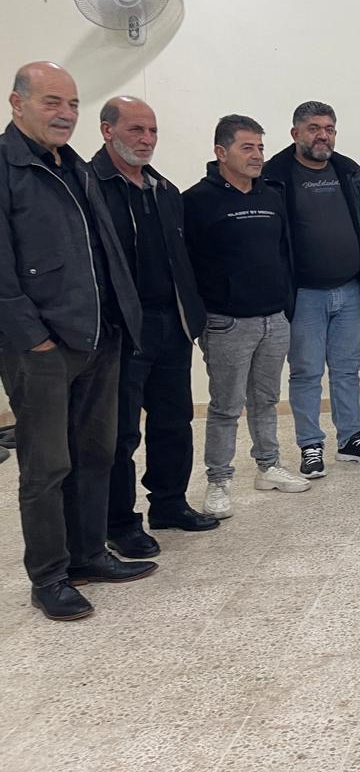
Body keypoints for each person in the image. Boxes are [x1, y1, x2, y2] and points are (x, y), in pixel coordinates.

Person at [0, 61, 153, 621]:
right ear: (17, 103)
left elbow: (103, 254)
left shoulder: (74, 166)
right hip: (41, 347)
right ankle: (49, 576)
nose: (65, 114)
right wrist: (34, 339)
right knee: (46, 467)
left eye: (72, 104)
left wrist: (121, 321)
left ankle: (89, 555)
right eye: (51, 102)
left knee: (95, 453)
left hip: (99, 338)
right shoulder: (8, 167)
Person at [92, 96, 217, 560]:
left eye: (153, 131)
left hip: (171, 323)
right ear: (107, 131)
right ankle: (120, 523)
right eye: (136, 130)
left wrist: (193, 316)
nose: (147, 139)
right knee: (121, 432)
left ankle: (168, 503)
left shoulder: (163, 190)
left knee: (173, 420)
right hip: (123, 329)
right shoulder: (90, 187)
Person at [183, 114, 309, 518]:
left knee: (266, 400)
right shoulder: (196, 201)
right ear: (221, 152)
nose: (257, 155)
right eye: (247, 148)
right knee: (226, 405)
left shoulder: (271, 194)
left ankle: (269, 466)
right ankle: (219, 480)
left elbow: (284, 252)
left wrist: (286, 305)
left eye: (260, 147)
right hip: (227, 323)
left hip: (274, 318)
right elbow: (186, 265)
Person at [263, 101, 360, 478]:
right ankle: (310, 444)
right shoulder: (274, 175)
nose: (323, 136)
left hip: (349, 290)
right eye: (314, 128)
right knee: (306, 371)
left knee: (347, 369)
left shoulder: (348, 171)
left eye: (329, 129)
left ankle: (350, 438)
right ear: (295, 133)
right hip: (304, 295)